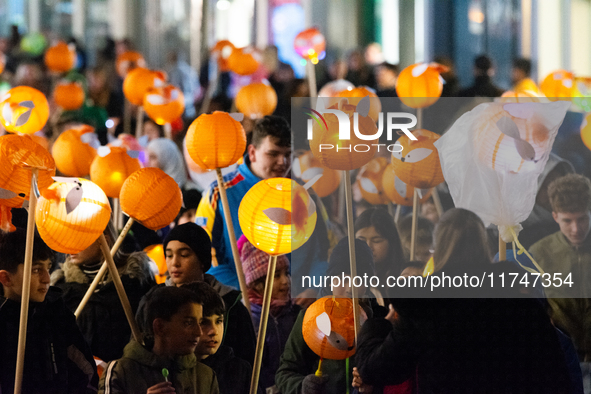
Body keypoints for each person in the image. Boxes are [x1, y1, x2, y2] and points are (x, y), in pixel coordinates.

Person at [356, 208, 572, 393]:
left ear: (439, 248)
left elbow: (378, 368)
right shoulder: (519, 301)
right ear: (483, 244)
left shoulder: (425, 308)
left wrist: (378, 322)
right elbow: (554, 375)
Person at [195, 116, 291, 288]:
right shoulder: (219, 193)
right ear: (252, 152)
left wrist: (309, 286)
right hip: (239, 301)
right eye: (273, 154)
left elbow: (319, 250)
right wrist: (245, 292)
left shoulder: (300, 192)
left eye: (288, 155)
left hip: (293, 303)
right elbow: (205, 258)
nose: (282, 162)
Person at [275, 238, 380, 394]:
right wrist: (302, 386)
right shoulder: (310, 318)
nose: (350, 288)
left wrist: (372, 386)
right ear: (330, 279)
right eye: (343, 278)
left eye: (359, 280)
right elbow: (285, 373)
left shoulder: (378, 321)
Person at [0, 229, 98, 394]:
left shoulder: (56, 313)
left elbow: (86, 372)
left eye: (48, 267)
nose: (47, 278)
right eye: (36, 270)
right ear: (6, 278)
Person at [51, 221, 156, 362]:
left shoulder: (135, 280)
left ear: (103, 240)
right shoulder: (62, 286)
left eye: (77, 238)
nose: (69, 246)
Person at [163, 223, 256, 365]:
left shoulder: (230, 305)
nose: (174, 263)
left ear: (202, 260)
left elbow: (248, 359)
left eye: (184, 255)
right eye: (169, 255)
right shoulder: (157, 301)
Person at [99, 286, 219, 393]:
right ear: (160, 327)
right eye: (188, 323)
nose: (199, 332)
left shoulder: (205, 376)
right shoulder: (121, 372)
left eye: (200, 323)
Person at [529, 174, 591, 362]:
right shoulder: (539, 253)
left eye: (582, 219)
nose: (576, 229)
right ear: (555, 216)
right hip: (563, 354)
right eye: (567, 221)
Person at [238, 235, 300, 393]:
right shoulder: (247, 317)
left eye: (286, 273)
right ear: (257, 284)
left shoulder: (293, 312)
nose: (286, 281)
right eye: (276, 275)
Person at [183, 281, 251, 394]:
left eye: (219, 321)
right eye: (204, 322)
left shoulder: (239, 370)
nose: (214, 331)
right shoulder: (173, 370)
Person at [355, 207, 405, 278]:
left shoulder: (404, 275)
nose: (368, 247)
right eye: (361, 241)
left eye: (376, 241)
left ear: (391, 242)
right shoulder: (344, 276)